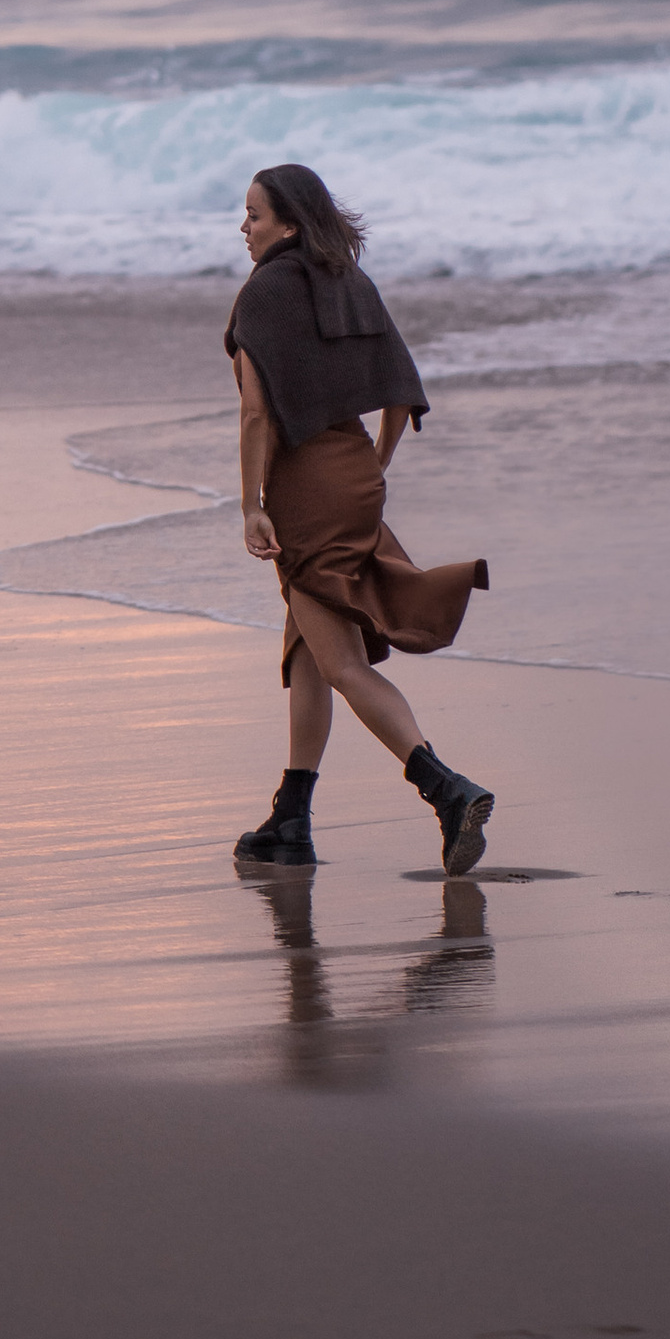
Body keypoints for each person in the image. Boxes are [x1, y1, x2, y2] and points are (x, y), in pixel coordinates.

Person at [224, 163, 494, 876]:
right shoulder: (351, 282)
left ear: (287, 224)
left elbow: (256, 413)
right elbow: (402, 395)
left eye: (254, 215)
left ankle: (445, 788)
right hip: (354, 480)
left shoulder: (262, 294)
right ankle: (292, 819)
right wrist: (373, 464)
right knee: (306, 652)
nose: (243, 228)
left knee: (341, 662)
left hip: (306, 494)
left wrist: (251, 504)